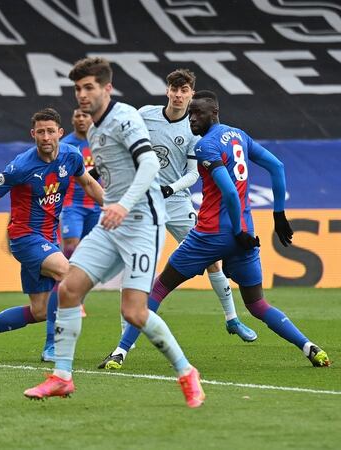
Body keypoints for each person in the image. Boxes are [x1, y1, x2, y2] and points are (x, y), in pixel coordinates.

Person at [23, 57, 205, 408]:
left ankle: (186, 372)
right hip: (113, 222)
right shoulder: (93, 127)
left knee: (134, 312)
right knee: (69, 289)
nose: (82, 94)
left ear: (107, 88)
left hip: (141, 223)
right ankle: (61, 377)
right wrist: (111, 203)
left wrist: (123, 205)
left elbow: (150, 162)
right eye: (78, 88)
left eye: (89, 87)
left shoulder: (125, 118)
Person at [118, 90, 331, 369]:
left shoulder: (206, 145)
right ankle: (310, 347)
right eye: (190, 113)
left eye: (198, 113)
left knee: (158, 289)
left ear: (214, 113)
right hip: (245, 235)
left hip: (210, 235)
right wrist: (278, 215)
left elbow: (229, 192)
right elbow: (277, 167)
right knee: (257, 305)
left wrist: (237, 230)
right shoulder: (239, 135)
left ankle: (120, 352)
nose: (192, 118)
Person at [97, 69, 257, 370]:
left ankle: (232, 319)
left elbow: (194, 174)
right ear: (168, 90)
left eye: (185, 90)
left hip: (177, 202)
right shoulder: (146, 115)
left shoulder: (195, 127)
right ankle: (124, 338)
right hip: (144, 202)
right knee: (135, 264)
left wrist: (170, 187)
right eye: (175, 88)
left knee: (213, 261)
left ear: (191, 94)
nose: (179, 94)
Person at [0, 108, 103, 361]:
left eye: (50, 131)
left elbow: (89, 184)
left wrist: (115, 210)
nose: (46, 137)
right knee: (67, 274)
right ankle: (52, 347)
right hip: (24, 238)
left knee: (40, 311)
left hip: (48, 239)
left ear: (60, 133)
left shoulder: (71, 156)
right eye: (40, 132)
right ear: (33, 134)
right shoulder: (20, 166)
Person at [41, 109, 99, 362]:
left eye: (85, 116)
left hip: (95, 206)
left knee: (90, 252)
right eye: (76, 116)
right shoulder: (65, 147)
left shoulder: (99, 142)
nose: (81, 119)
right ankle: (65, 286)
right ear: (72, 121)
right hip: (73, 205)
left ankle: (76, 292)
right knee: (72, 245)